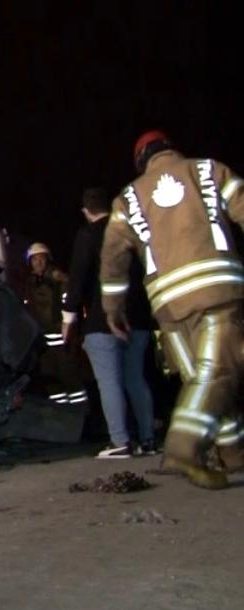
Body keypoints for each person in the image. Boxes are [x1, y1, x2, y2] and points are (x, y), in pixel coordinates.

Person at [101, 130, 244, 489]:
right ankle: (184, 446)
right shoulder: (208, 170)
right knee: (219, 371)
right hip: (216, 288)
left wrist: (113, 308)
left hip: (166, 304)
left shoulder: (128, 198)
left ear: (141, 160)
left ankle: (233, 451)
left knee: (201, 375)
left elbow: (113, 258)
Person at [63, 187, 156, 459]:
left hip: (103, 320)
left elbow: (78, 278)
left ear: (86, 211)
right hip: (138, 318)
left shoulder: (88, 234)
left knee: (109, 381)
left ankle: (120, 441)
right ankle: (148, 439)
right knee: (136, 378)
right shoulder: (131, 233)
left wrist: (69, 316)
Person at [24, 242, 87, 407]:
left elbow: (72, 300)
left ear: (48, 259)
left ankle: (81, 414)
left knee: (71, 380)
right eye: (34, 259)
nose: (38, 263)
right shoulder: (30, 284)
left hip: (63, 341)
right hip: (44, 344)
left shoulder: (58, 279)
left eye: (41, 258)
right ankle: (61, 414)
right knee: (53, 384)